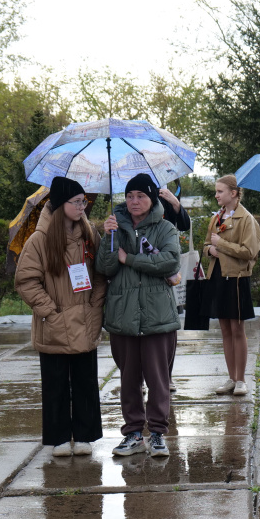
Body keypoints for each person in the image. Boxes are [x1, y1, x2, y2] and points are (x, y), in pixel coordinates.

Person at [15, 177, 106, 457]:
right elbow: (26, 281)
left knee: (86, 381)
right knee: (55, 384)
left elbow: (101, 273)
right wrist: (50, 311)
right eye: (76, 201)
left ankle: (85, 435)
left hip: (86, 319)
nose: (82, 206)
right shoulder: (40, 240)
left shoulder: (90, 234)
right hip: (54, 323)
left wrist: (94, 305)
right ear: (59, 204)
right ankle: (58, 438)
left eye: (83, 201)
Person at [97, 173, 180, 457]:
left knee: (159, 380)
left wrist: (129, 258)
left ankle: (157, 434)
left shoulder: (165, 227)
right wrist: (109, 238)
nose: (134, 201)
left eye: (141, 196)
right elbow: (105, 268)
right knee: (129, 379)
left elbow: (170, 262)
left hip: (158, 315)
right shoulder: (115, 227)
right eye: (129, 196)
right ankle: (133, 433)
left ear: (152, 198)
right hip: (123, 314)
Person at [202, 175, 260, 397]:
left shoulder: (246, 219)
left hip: (236, 279)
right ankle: (231, 377)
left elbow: (249, 252)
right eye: (216, 191)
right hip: (218, 277)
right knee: (225, 330)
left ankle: (241, 380)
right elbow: (206, 245)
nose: (216, 195)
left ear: (233, 193)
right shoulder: (216, 217)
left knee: (237, 330)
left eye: (220, 191)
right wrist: (210, 249)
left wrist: (221, 245)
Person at [158, 182, 191, 393]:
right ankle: (141, 378)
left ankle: (167, 376)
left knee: (169, 327)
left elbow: (184, 225)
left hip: (167, 272)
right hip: (142, 270)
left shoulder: (167, 197)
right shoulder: (135, 198)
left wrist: (175, 203)